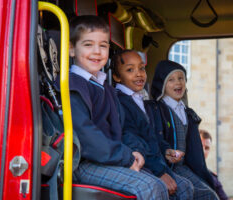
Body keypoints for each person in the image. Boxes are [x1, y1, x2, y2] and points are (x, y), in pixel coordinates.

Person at [54, 16, 169, 200]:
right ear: (71, 49)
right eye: (88, 45)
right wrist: (125, 156)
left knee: (159, 185)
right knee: (149, 188)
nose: (97, 52)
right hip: (84, 163)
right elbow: (85, 136)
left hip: (110, 158)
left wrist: (133, 150)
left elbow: (121, 126)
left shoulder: (105, 87)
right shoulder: (71, 85)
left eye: (103, 45)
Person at [111, 49, 194, 200]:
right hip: (142, 163)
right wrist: (159, 172)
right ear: (116, 76)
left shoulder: (143, 101)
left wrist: (165, 151)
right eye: (130, 70)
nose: (139, 74)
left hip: (156, 161)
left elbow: (152, 136)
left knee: (186, 186)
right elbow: (132, 140)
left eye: (141, 68)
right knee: (177, 189)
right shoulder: (120, 102)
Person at [149, 60, 219, 200]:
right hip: (169, 167)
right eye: (171, 80)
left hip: (185, 166)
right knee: (203, 195)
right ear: (162, 84)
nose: (178, 83)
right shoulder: (158, 110)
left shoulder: (187, 112)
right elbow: (156, 139)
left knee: (211, 194)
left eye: (181, 78)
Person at [199, 129, 229, 200]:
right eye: (200, 146)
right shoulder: (183, 172)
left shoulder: (213, 178)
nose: (203, 151)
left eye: (207, 148)